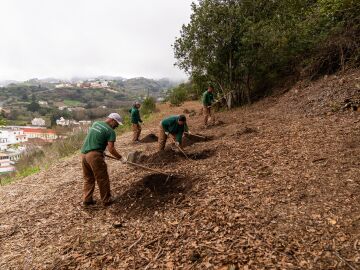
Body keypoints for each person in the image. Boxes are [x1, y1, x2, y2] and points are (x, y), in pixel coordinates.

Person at [80, 113, 123, 206]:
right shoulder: (111, 131)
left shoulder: (96, 124)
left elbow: (95, 139)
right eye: (117, 124)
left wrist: (100, 150)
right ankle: (107, 200)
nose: (117, 126)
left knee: (88, 178)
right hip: (94, 156)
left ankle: (87, 200)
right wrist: (121, 158)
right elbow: (111, 149)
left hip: (84, 154)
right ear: (112, 120)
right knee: (102, 178)